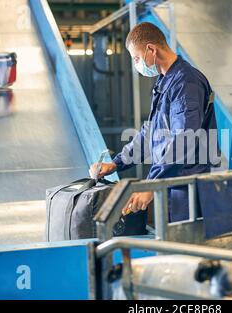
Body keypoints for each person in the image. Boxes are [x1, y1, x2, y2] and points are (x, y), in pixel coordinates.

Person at [90, 22, 217, 222]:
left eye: (137, 58)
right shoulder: (166, 81)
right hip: (172, 181)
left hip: (188, 187)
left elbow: (183, 141)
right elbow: (150, 133)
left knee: (186, 249)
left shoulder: (186, 83)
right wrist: (116, 163)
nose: (136, 65)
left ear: (151, 49)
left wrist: (152, 183)